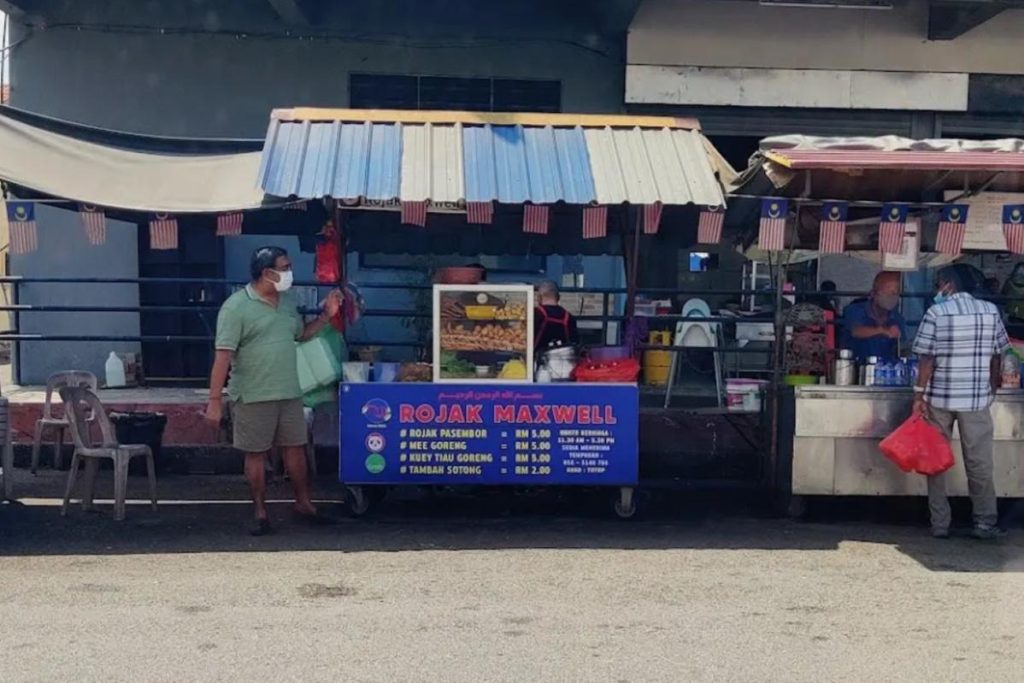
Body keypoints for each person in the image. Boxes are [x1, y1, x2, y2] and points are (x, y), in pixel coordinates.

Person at [205, 246, 341, 535]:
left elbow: (300, 334)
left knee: (296, 448)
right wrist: (215, 400)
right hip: (253, 394)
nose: (290, 273)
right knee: (255, 453)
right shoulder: (235, 308)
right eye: (286, 267)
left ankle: (303, 503)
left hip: (289, 391)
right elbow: (223, 356)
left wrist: (326, 316)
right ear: (267, 273)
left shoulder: (288, 302)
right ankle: (260, 512)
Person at [912, 264, 1010, 540]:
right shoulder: (990, 312)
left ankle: (940, 523)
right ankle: (984, 523)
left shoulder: (936, 312)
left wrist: (918, 395)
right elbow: (998, 354)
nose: (936, 291)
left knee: (937, 460)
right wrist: (992, 386)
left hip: (940, 398)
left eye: (938, 286)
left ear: (948, 285)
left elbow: (926, 358)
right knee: (979, 462)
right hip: (976, 399)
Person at [841, 271, 905, 361]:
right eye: (887, 292)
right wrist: (882, 331)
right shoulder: (854, 310)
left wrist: (899, 339)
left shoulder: (897, 318)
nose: (891, 297)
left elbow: (904, 348)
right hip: (855, 367)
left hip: (886, 370)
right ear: (873, 293)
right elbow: (856, 331)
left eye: (895, 293)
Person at [534, 280, 578, 351]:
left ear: (539, 298)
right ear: (558, 297)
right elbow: (575, 343)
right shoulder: (569, 317)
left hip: (538, 360)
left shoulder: (534, 314)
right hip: (564, 360)